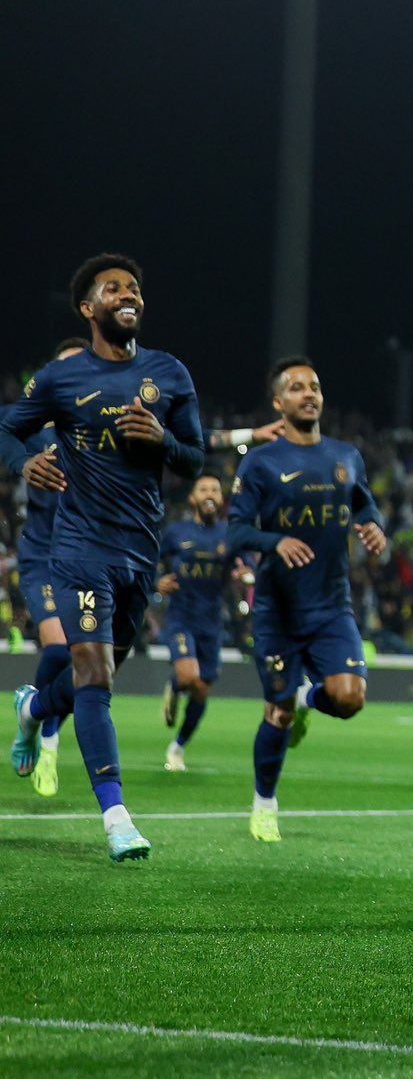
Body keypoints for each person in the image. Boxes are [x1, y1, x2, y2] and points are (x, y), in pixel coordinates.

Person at [3, 254, 208, 862]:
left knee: (99, 669)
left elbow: (194, 458)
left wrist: (163, 440)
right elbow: (9, 430)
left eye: (134, 288)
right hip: (80, 548)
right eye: (113, 288)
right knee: (93, 673)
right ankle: (117, 817)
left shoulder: (169, 374)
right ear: (88, 308)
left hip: (139, 553)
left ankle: (33, 707)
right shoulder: (61, 379)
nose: (128, 294)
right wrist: (24, 463)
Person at [226, 358, 387, 843]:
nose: (308, 394)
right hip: (278, 609)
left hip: (332, 606)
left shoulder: (346, 455)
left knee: (349, 697)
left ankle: (305, 697)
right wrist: (274, 542)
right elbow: (235, 530)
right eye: (296, 388)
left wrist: (374, 526)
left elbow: (363, 502)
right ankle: (264, 804)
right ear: (279, 403)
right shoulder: (261, 461)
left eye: (314, 386)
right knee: (276, 714)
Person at [5, 337, 88, 797]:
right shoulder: (34, 425)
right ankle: (46, 737)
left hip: (91, 560)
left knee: (88, 660)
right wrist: (22, 464)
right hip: (43, 557)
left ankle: (33, 713)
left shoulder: (104, 430)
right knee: (60, 649)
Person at [157, 473, 250, 772]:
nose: (210, 493)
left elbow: (245, 564)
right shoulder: (176, 533)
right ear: (193, 498)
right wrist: (156, 582)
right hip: (181, 618)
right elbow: (148, 562)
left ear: (221, 499)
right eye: (203, 489)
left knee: (201, 690)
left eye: (215, 489)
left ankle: (178, 746)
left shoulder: (230, 533)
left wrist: (243, 574)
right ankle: (175, 684)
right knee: (187, 677)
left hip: (211, 623)